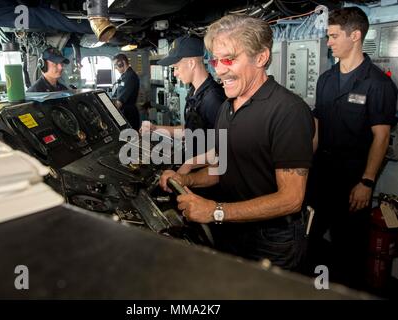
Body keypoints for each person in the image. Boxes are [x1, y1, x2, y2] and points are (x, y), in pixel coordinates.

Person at [159, 15, 315, 271]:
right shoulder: (227, 107)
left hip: (273, 240)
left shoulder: (287, 111)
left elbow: (291, 198)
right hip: (233, 229)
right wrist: (185, 180)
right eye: (215, 60)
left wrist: (216, 211)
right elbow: (223, 168)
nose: (219, 69)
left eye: (229, 59)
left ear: (261, 57)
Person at [308, 7, 398, 288]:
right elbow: (317, 128)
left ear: (355, 36)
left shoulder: (378, 84)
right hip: (321, 175)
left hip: (353, 180)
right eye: (328, 36)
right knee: (309, 239)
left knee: (349, 249)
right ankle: (312, 290)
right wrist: (304, 167)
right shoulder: (325, 78)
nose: (329, 42)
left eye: (334, 36)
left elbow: (381, 137)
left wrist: (367, 182)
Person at [144, 36, 225, 164]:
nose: (175, 73)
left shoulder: (213, 99)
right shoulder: (194, 91)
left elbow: (222, 153)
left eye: (176, 67)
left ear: (191, 63)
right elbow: (187, 131)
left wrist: (187, 169)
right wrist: (154, 128)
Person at [112, 53, 141, 130]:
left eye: (116, 65)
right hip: (125, 112)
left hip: (128, 114)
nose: (115, 67)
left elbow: (119, 103)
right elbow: (117, 94)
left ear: (123, 63)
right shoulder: (125, 76)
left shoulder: (130, 77)